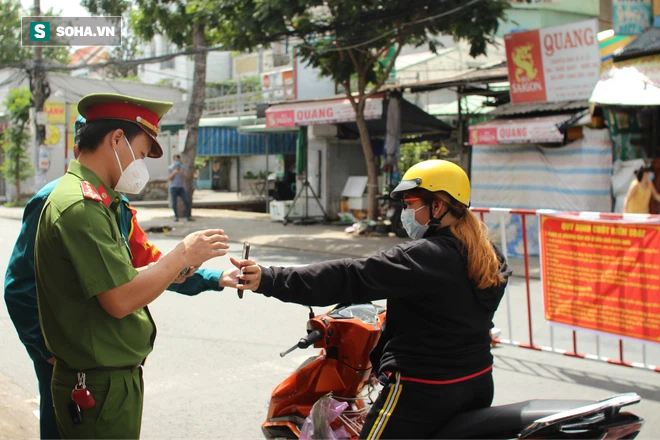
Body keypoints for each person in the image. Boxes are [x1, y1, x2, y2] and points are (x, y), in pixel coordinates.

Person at [233, 160, 511, 439]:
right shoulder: (488, 255)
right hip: (477, 381)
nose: (406, 212)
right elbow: (446, 310)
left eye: (411, 203)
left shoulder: (423, 257)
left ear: (438, 206)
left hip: (421, 392)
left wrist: (268, 279)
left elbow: (349, 276)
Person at [4, 116, 231, 440]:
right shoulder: (65, 201)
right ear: (115, 140)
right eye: (139, 154)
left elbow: (151, 264)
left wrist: (216, 276)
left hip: (106, 365)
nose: (140, 166)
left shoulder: (114, 205)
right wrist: (47, 350)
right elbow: (19, 286)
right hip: (72, 359)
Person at [168, 153, 192, 221]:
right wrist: (174, 172)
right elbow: (169, 178)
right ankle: (176, 216)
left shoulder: (182, 168)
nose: (177, 161)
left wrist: (181, 172)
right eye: (176, 160)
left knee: (186, 201)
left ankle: (188, 216)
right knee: (174, 203)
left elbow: (186, 177)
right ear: (174, 160)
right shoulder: (170, 168)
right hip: (173, 187)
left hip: (181, 187)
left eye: (178, 159)